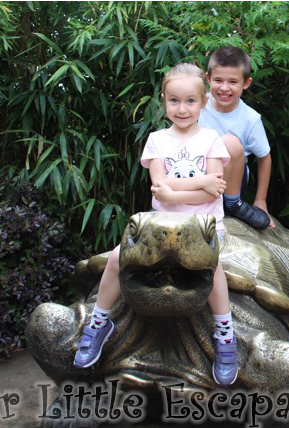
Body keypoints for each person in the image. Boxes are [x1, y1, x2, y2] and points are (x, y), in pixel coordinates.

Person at [73, 63, 239, 386]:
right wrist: (198, 183)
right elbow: (159, 186)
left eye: (190, 101)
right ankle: (99, 322)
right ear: (164, 101)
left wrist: (176, 192)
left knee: (213, 268)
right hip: (159, 226)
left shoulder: (211, 139)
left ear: (203, 102)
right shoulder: (156, 140)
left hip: (204, 227)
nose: (182, 108)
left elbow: (214, 186)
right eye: (174, 100)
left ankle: (225, 332)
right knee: (116, 259)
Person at [199, 46, 275, 230]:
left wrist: (260, 200)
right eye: (218, 80)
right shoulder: (197, 105)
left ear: (246, 83)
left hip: (229, 186)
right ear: (208, 79)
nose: (224, 88)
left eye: (233, 81)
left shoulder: (250, 118)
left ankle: (234, 204)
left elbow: (264, 158)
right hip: (196, 179)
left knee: (229, 143)